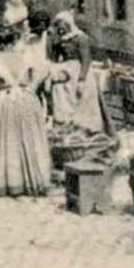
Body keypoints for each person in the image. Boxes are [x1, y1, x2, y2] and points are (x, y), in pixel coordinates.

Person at [0, 20, 52, 197]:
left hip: (3, 98)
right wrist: (29, 88)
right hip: (26, 98)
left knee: (3, 139)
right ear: (15, 41)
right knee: (27, 139)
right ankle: (30, 179)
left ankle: (7, 180)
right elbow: (40, 73)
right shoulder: (26, 57)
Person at [45, 11, 116, 166]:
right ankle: (66, 128)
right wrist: (51, 38)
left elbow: (86, 60)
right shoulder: (60, 38)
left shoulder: (81, 38)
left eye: (62, 25)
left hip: (79, 72)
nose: (60, 29)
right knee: (61, 95)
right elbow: (51, 56)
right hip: (67, 72)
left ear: (69, 24)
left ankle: (87, 132)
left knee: (84, 102)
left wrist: (82, 79)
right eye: (58, 26)